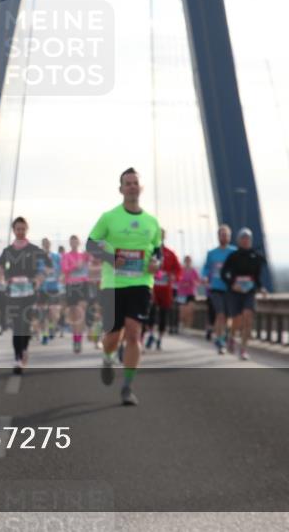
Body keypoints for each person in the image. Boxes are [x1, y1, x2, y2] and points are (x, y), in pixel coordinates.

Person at [87, 168, 161, 406]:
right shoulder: (109, 217)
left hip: (141, 284)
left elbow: (157, 249)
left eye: (135, 183)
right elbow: (91, 244)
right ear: (120, 189)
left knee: (133, 332)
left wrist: (155, 263)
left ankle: (127, 387)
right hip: (113, 284)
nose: (131, 187)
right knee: (112, 337)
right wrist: (109, 259)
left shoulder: (152, 222)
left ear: (141, 188)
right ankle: (108, 357)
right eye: (127, 183)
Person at [0, 217, 50, 374]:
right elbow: (0, 267)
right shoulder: (8, 251)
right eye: (17, 229)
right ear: (13, 230)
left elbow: (48, 265)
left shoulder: (34, 249)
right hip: (13, 292)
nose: (20, 231)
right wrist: (1, 279)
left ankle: (25, 349)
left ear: (27, 229)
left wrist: (39, 278)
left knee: (25, 324)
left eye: (23, 229)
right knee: (16, 325)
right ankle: (17, 358)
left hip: (29, 292)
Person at [220, 228, 268, 361]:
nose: (246, 241)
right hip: (235, 292)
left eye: (248, 238)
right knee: (238, 320)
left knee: (248, 317)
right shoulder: (233, 256)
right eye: (243, 238)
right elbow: (224, 274)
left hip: (249, 292)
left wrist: (262, 288)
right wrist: (232, 284)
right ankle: (231, 336)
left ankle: (243, 349)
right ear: (239, 241)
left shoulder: (256, 256)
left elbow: (257, 277)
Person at [202, 224, 236, 355]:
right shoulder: (212, 253)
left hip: (230, 289)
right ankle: (221, 341)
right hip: (215, 288)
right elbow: (206, 268)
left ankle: (222, 335)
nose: (224, 237)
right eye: (222, 234)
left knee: (227, 317)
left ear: (230, 237)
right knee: (220, 314)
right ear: (218, 236)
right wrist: (205, 277)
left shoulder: (234, 252)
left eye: (226, 235)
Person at [146, 230, 181, 351]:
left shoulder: (170, 254)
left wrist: (173, 276)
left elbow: (178, 270)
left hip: (166, 290)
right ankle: (150, 335)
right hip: (152, 288)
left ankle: (159, 338)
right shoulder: (149, 252)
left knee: (163, 314)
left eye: (161, 236)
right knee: (150, 312)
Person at [61, 235, 91, 353]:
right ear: (69, 243)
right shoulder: (66, 256)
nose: (74, 243)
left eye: (76, 241)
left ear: (79, 242)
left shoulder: (84, 255)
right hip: (71, 286)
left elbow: (95, 257)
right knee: (73, 316)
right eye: (72, 241)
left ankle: (79, 339)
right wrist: (75, 266)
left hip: (83, 285)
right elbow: (64, 269)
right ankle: (75, 338)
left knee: (80, 313)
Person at [175, 255, 201, 336]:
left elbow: (198, 281)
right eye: (186, 260)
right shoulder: (180, 270)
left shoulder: (194, 271)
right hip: (182, 293)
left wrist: (193, 283)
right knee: (182, 312)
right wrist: (182, 284)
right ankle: (181, 325)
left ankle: (187, 328)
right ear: (184, 261)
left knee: (190, 311)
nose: (188, 262)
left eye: (189, 260)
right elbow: (176, 280)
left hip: (191, 293)